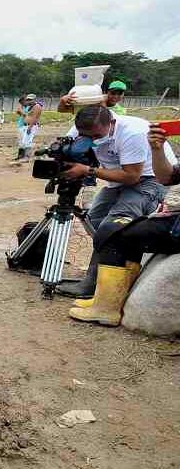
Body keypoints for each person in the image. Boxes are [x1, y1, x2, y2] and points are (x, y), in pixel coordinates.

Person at [68, 123, 179, 325]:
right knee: (124, 231)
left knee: (114, 232)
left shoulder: (130, 132)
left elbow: (138, 177)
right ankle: (109, 298)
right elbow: (166, 177)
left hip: (176, 226)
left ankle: (105, 308)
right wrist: (157, 149)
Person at [56, 105, 168, 299]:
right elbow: (66, 149)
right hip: (117, 180)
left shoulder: (133, 132)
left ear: (112, 123)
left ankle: (93, 286)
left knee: (113, 226)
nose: (92, 140)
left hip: (150, 179)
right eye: (87, 137)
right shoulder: (84, 129)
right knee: (94, 220)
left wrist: (88, 170)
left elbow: (132, 176)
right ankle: (117, 267)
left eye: (97, 136)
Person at [12, 94, 43, 162]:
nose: (28, 101)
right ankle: (21, 156)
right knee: (24, 142)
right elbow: (28, 116)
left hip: (31, 125)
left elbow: (35, 117)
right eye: (28, 99)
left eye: (30, 100)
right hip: (27, 125)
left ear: (34, 99)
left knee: (27, 142)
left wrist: (30, 127)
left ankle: (27, 157)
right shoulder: (31, 106)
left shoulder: (37, 106)